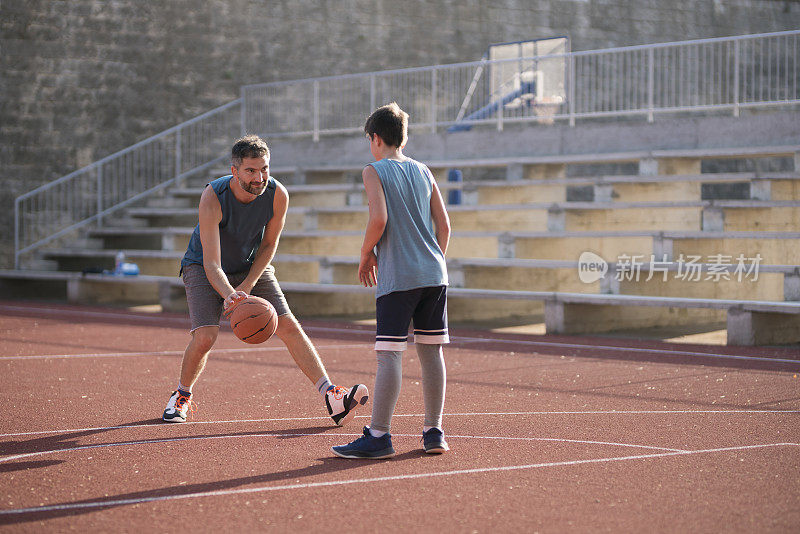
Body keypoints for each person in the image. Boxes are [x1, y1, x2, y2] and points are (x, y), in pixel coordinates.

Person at [163, 135, 368, 425]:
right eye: (250, 171)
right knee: (206, 337)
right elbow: (211, 262)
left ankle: (331, 395)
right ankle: (181, 395)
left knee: (288, 325)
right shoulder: (213, 196)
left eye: (265, 169)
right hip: (203, 265)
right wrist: (230, 294)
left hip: (251, 265)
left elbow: (269, 246)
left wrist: (246, 286)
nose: (259, 177)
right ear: (234, 171)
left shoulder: (277, 194)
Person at [332, 103, 451, 459]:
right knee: (432, 353)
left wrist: (366, 252)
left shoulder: (373, 170)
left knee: (389, 355)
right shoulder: (424, 170)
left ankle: (379, 434)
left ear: (375, 138)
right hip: (434, 274)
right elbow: (444, 226)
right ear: (404, 136)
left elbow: (379, 218)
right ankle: (434, 432)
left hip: (399, 276)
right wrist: (433, 261)